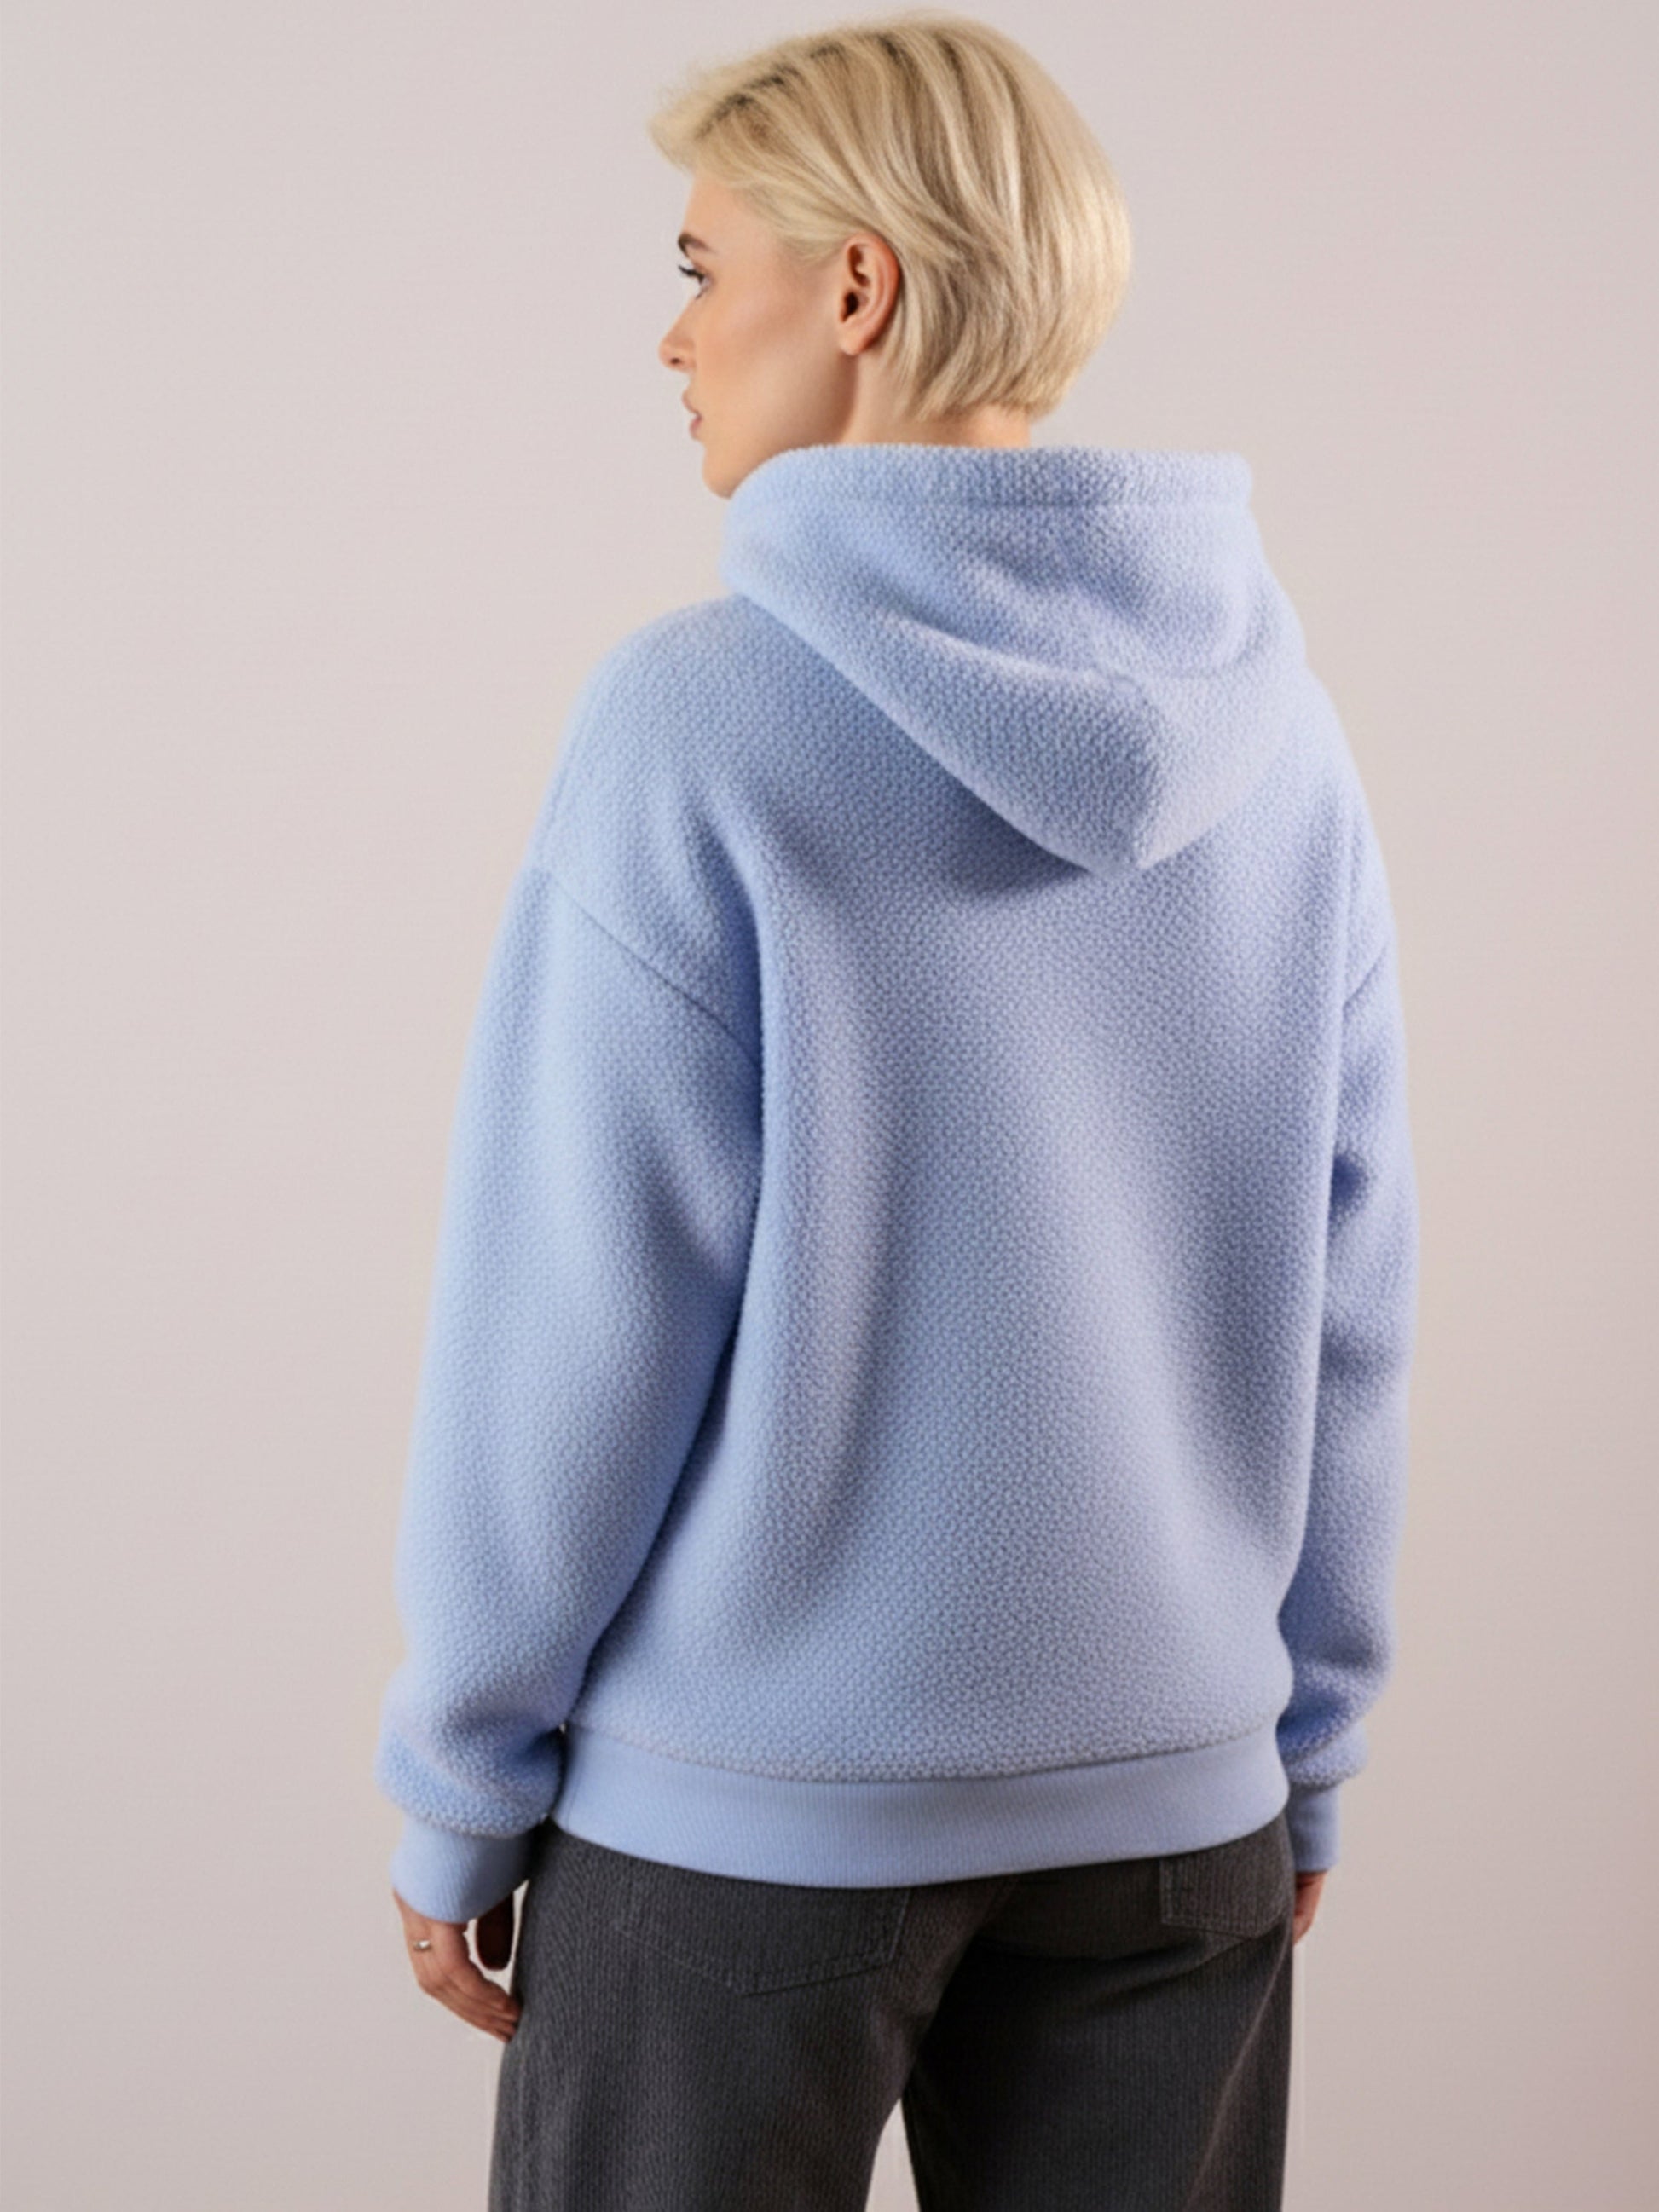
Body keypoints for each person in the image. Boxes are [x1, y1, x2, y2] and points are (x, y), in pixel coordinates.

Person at [373, 13, 1419, 2207]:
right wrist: (1301, 1741)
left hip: (750, 1819)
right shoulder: (1285, 737)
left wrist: (463, 1766)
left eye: (698, 267)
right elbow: (1348, 1297)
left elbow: (576, 1312)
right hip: (1177, 1819)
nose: (672, 339)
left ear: (852, 285)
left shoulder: (698, 720)